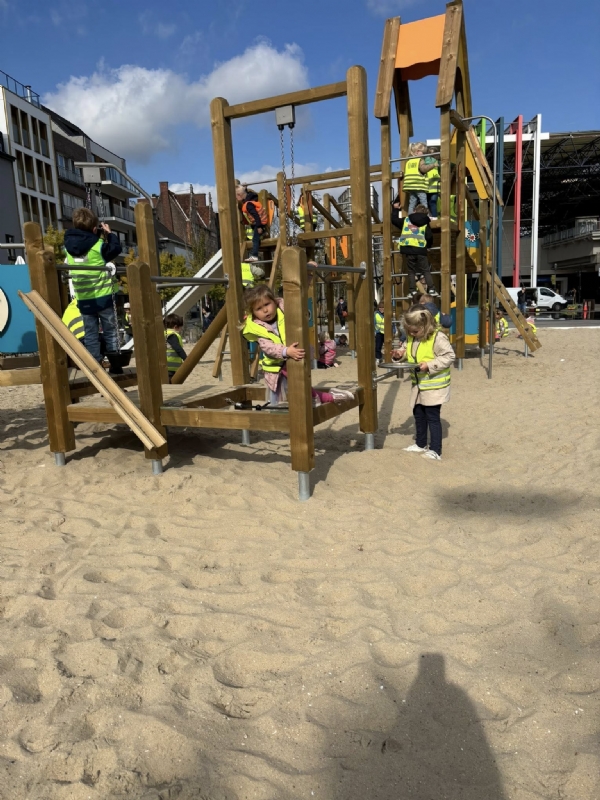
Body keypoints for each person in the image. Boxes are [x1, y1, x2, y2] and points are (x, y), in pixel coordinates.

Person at [242, 284, 353, 406]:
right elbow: (268, 347)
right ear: (253, 313)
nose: (265, 310)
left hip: (295, 358)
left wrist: (307, 278)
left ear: (274, 301)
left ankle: (324, 397)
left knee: (301, 388)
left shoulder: (284, 310)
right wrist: (286, 351)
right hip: (276, 369)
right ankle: (325, 396)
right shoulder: (257, 328)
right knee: (280, 399)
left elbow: (298, 295)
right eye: (259, 308)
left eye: (267, 304)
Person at [64, 207, 123, 374]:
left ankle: (95, 365)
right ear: (94, 229)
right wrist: (109, 234)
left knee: (90, 333)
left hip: (84, 298)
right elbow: (115, 249)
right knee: (110, 331)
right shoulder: (98, 246)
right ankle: (115, 364)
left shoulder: (68, 248)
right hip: (103, 297)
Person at [397, 306, 454, 461]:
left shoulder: (438, 338)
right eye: (409, 331)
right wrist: (399, 354)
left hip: (434, 385)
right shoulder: (412, 336)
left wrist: (429, 365)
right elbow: (407, 350)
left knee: (432, 417)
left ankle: (435, 450)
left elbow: (449, 356)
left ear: (425, 326)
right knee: (418, 414)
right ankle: (420, 444)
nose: (411, 334)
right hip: (418, 384)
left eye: (415, 331)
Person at [398, 204, 436, 296]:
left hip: (408, 249)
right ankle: (431, 289)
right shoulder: (425, 222)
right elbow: (429, 236)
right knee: (426, 270)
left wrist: (395, 210)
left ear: (415, 211)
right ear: (426, 213)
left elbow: (394, 220)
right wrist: (429, 246)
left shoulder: (406, 220)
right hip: (420, 249)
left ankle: (412, 291)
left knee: (411, 271)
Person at [235, 183, 268, 262]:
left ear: (239, 195)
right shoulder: (251, 198)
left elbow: (256, 215)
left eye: (236, 196)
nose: (236, 198)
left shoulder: (248, 205)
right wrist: (245, 188)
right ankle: (264, 232)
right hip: (261, 222)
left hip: (259, 222)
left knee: (255, 239)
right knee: (255, 231)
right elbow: (246, 193)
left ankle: (254, 256)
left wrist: (259, 227)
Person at [403, 142, 430, 214]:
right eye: (423, 153)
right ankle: (425, 215)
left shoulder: (408, 161)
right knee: (423, 200)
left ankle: (410, 216)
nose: (424, 155)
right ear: (418, 152)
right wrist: (433, 165)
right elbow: (424, 169)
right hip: (418, 185)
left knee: (412, 202)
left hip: (410, 185)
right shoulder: (420, 160)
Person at [164, 313, 187, 381]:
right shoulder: (172, 335)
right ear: (175, 327)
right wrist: (186, 358)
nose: (180, 330)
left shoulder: (163, 334)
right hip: (171, 367)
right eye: (180, 328)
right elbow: (178, 348)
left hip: (164, 366)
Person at [423, 146, 440, 220]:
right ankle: (434, 217)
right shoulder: (437, 162)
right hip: (434, 187)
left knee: (428, 203)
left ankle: (431, 216)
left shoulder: (424, 162)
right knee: (432, 203)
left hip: (428, 186)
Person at [374, 301, 385, 365]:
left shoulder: (387, 313)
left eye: (383, 307)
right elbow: (374, 323)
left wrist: (394, 331)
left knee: (388, 346)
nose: (381, 309)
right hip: (379, 332)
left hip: (386, 332)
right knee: (378, 346)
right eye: (380, 307)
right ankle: (378, 358)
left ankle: (389, 358)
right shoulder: (376, 314)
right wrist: (374, 331)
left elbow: (391, 323)